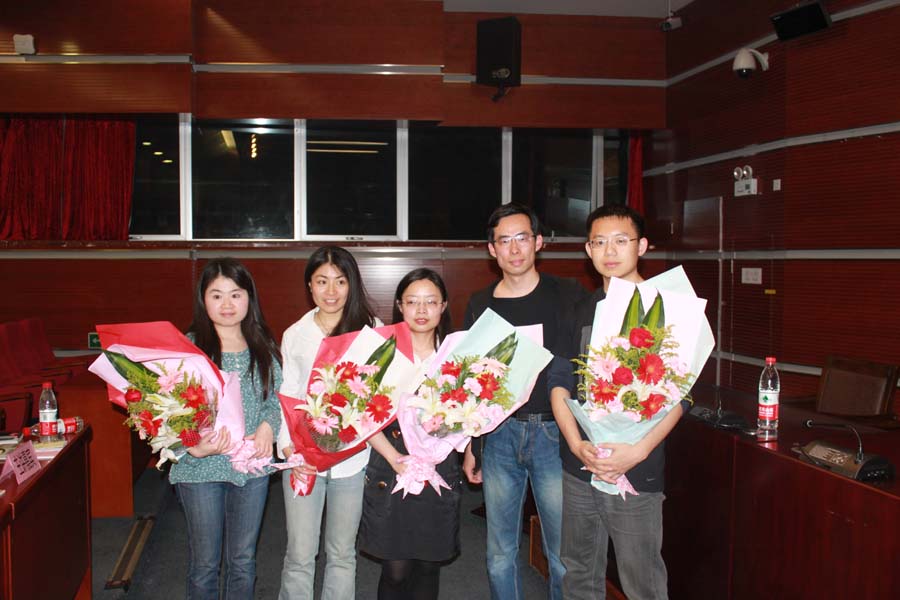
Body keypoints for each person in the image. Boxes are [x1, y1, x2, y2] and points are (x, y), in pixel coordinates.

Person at [549, 204, 687, 599]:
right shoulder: (579, 309)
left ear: (641, 246)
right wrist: (576, 444)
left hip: (636, 468)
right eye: (599, 242)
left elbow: (682, 396)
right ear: (588, 250)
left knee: (641, 580)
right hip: (579, 466)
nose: (609, 251)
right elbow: (559, 383)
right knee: (578, 571)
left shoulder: (669, 308)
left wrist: (638, 451)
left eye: (620, 241)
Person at [461, 204, 587, 600]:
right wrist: (472, 444)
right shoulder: (480, 304)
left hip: (555, 433)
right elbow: (469, 380)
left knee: (562, 553)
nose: (514, 249)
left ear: (539, 242)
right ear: (492, 249)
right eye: (504, 241)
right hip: (499, 435)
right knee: (500, 551)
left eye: (522, 238)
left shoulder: (568, 294)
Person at [172, 257, 283, 600]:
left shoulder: (262, 344)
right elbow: (168, 413)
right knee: (205, 564)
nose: (227, 304)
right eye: (216, 295)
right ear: (203, 300)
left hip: (251, 467)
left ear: (249, 298)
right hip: (200, 468)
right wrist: (193, 444)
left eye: (236, 294)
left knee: (243, 561)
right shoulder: (188, 347)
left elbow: (276, 400)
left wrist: (267, 428)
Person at [277, 245, 380, 600]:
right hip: (303, 458)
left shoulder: (372, 331)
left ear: (352, 284)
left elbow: (379, 397)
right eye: (322, 281)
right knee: (300, 553)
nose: (331, 291)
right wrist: (288, 449)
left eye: (340, 281)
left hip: (353, 459)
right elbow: (287, 395)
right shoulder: (295, 334)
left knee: (342, 553)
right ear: (309, 285)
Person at [358, 268, 460, 600]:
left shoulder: (457, 358)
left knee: (429, 565)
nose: (421, 310)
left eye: (430, 301)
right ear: (400, 306)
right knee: (396, 570)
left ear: (443, 305)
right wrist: (394, 457)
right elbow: (361, 415)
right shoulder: (383, 354)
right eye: (412, 301)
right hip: (392, 466)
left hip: (439, 468)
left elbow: (472, 416)